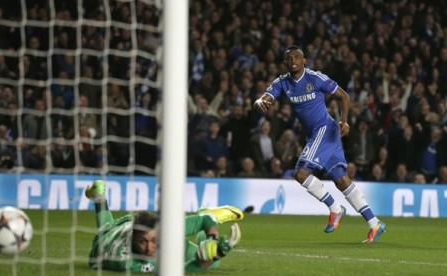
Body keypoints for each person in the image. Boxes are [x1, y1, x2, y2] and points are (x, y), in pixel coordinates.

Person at [253, 45, 386, 243]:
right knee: (341, 180)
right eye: (289, 58)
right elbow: (266, 97)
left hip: (325, 129)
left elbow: (343, 95)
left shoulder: (315, 78)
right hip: (316, 135)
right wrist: (259, 102)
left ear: (304, 60)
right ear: (285, 63)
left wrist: (345, 120)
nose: (293, 60)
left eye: (297, 57)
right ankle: (375, 223)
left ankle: (334, 208)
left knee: (301, 173)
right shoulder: (282, 83)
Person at [85, 180, 243, 273]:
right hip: (106, 243)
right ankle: (99, 196)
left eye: (153, 240)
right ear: (132, 239)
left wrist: (212, 237)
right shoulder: (129, 262)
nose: (148, 248)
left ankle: (100, 196)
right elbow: (186, 269)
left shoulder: (163, 228)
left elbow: (205, 221)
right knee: (213, 262)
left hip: (117, 228)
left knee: (105, 227)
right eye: (143, 242)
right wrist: (218, 254)